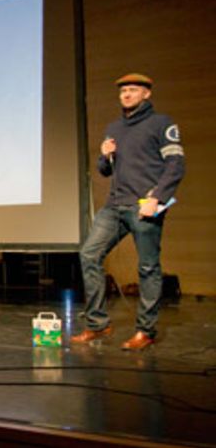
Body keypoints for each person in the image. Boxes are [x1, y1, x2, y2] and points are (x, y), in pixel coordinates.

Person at [71, 73, 185, 350]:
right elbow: (105, 170)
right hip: (114, 206)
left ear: (146, 94)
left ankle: (145, 330)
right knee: (89, 254)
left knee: (147, 267)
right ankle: (98, 324)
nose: (126, 94)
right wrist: (105, 154)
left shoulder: (162, 123)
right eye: (123, 91)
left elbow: (175, 165)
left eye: (133, 90)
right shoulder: (114, 127)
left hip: (144, 205)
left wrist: (157, 199)